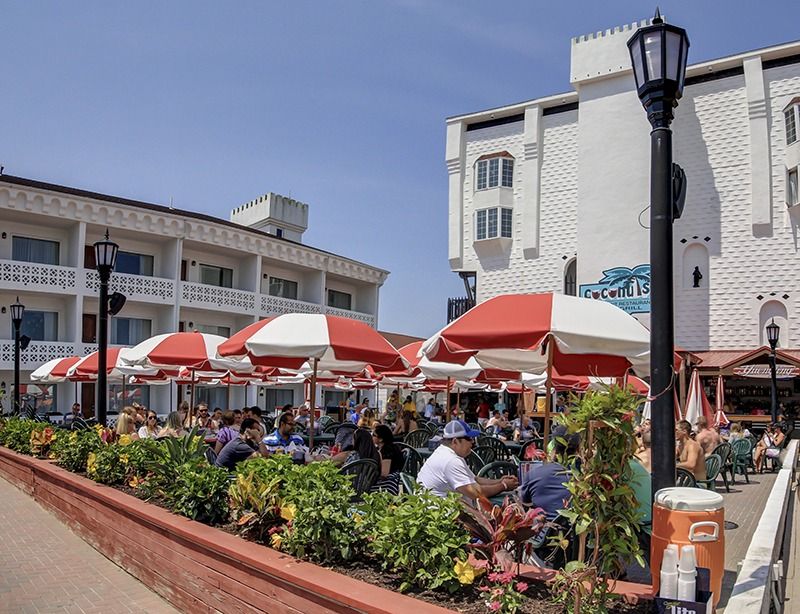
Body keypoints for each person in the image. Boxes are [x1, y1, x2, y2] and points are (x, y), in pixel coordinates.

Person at [417, 420, 518, 504]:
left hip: (435, 508)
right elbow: (476, 493)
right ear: (455, 441)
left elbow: (474, 479)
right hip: (438, 516)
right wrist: (504, 486)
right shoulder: (451, 461)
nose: (473, 441)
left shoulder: (445, 452)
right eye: (468, 438)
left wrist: (499, 481)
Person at [519, 425, 579, 521]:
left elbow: (525, 503)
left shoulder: (535, 474)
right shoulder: (586, 479)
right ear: (579, 449)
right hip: (576, 533)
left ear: (553, 448)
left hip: (542, 532)